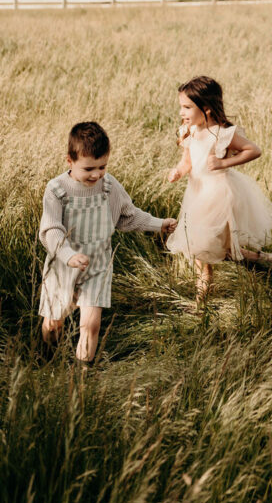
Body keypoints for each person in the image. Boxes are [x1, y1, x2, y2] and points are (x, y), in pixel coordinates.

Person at [39, 121, 177, 363]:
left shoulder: (108, 186)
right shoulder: (57, 190)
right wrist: (68, 255)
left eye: (102, 166)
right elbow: (52, 229)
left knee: (90, 325)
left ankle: (83, 375)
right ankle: (49, 357)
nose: (97, 174)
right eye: (89, 168)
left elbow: (128, 216)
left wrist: (159, 224)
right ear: (69, 161)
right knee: (53, 324)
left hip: (98, 265)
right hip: (63, 265)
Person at [166, 76, 272, 304]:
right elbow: (187, 161)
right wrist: (178, 171)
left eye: (187, 107)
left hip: (218, 196)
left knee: (202, 250)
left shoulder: (221, 133)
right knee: (222, 247)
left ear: (206, 109)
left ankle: (201, 303)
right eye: (181, 107)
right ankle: (263, 259)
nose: (182, 112)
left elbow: (253, 150)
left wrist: (224, 163)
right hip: (197, 196)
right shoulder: (189, 131)